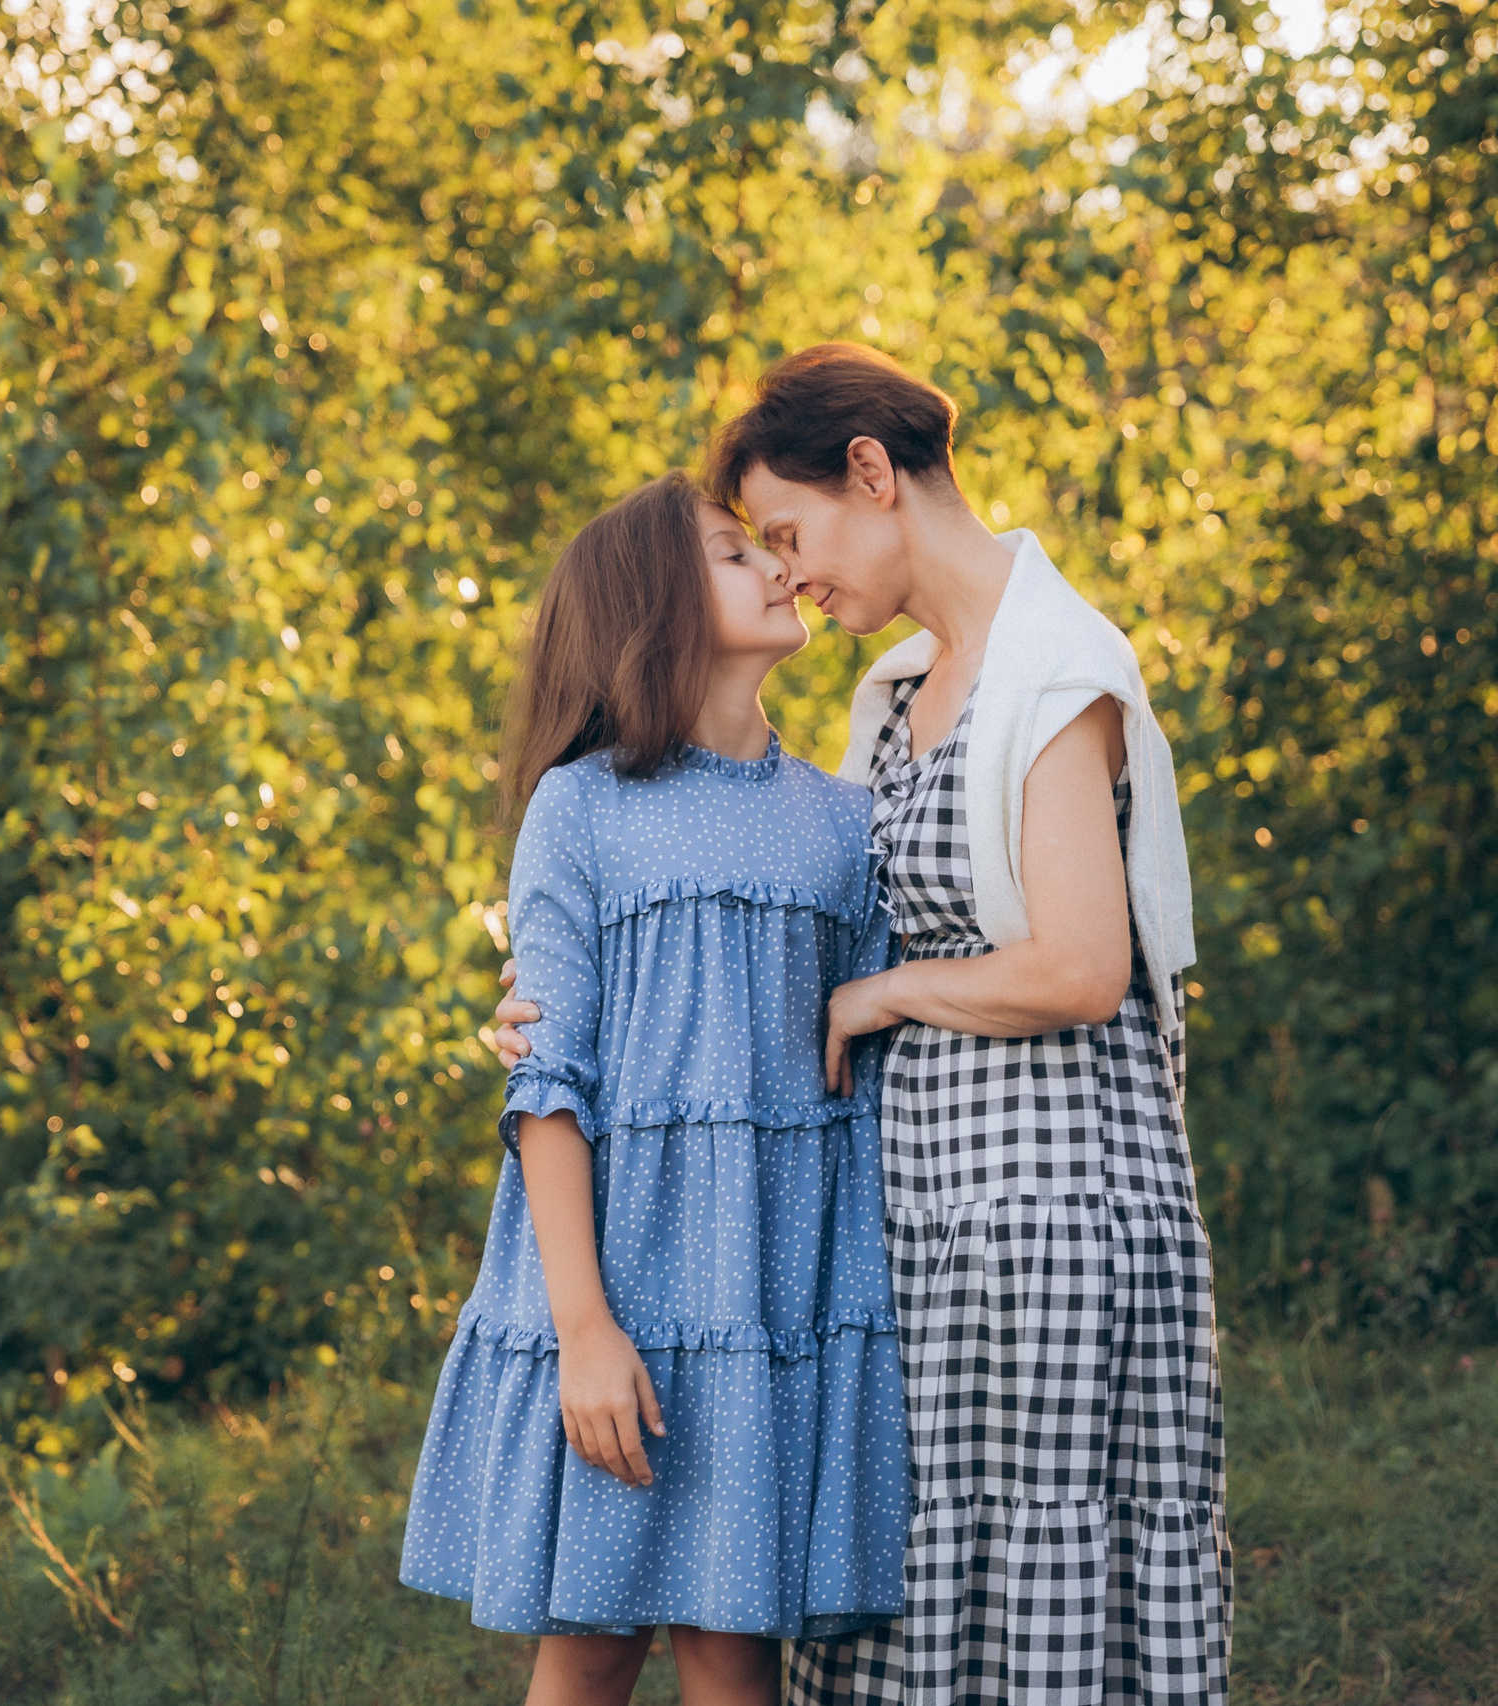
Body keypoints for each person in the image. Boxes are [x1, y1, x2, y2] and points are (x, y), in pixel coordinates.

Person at [495, 345, 1229, 1705]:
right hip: (777, 1244)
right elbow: (645, 1013)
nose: (786, 570)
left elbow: (1045, 961)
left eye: (785, 533)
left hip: (928, 1244)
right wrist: (543, 1029)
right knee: (688, 1622)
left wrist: (877, 993)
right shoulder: (869, 710)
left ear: (872, 476)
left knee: (866, 1615)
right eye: (749, 550)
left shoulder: (987, 710)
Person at [400, 471, 909, 1706]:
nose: (779, 565)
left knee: (737, 1649)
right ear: (657, 609)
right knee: (592, 1639)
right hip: (613, 1276)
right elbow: (550, 1086)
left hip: (771, 1284)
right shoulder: (580, 809)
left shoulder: (848, 820)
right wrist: (584, 1327)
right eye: (739, 554)